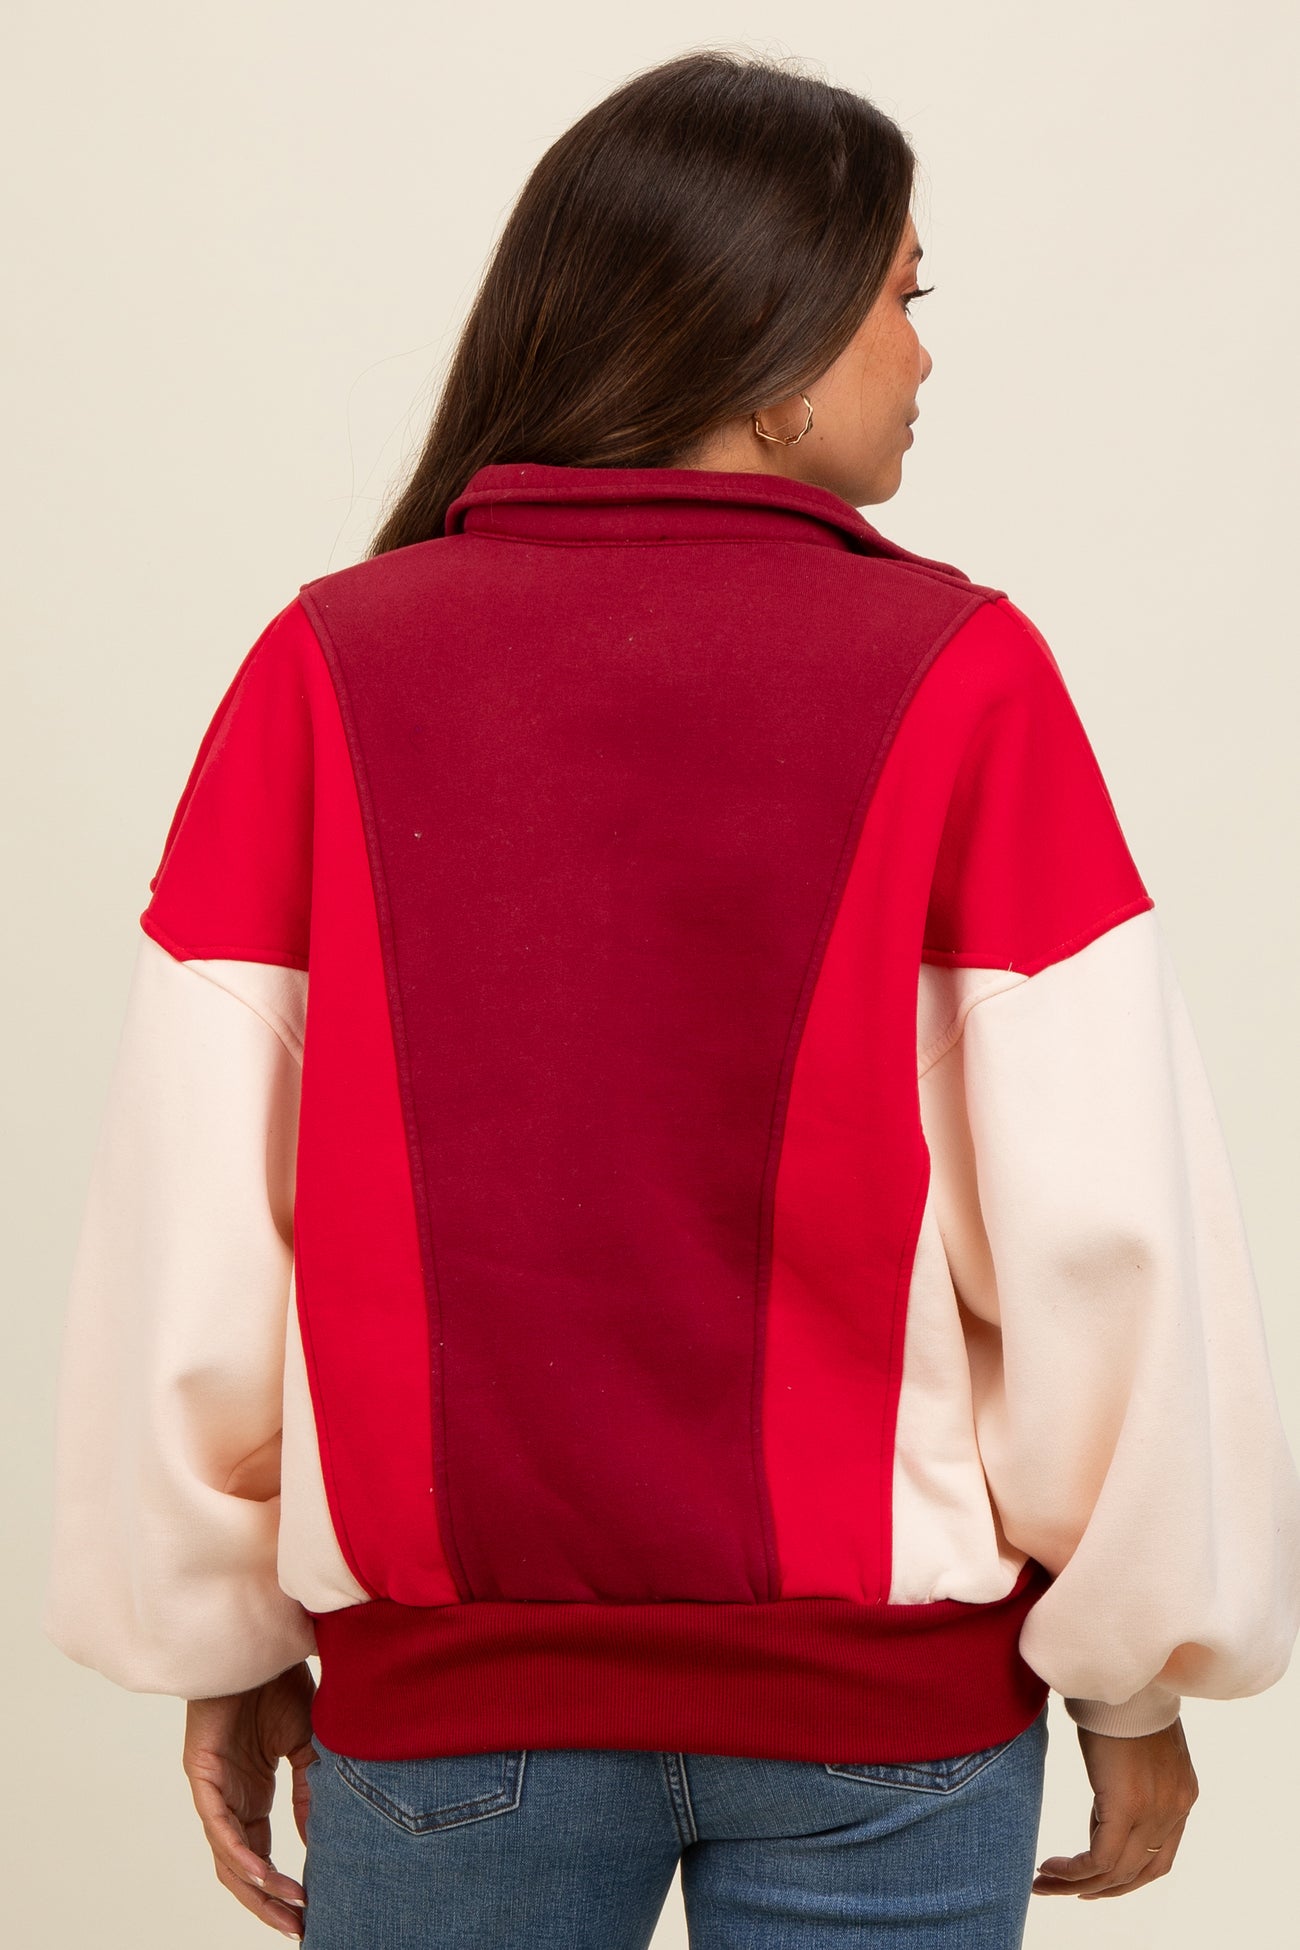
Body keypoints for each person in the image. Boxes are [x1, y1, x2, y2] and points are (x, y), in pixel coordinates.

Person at [41, 44, 1300, 1950]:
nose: (925, 356)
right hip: (886, 1723)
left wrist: (222, 1628)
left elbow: (198, 1210)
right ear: (770, 346)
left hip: (452, 1709)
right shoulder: (964, 675)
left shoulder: (327, 667)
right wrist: (1134, 1676)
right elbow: (1103, 1231)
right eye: (903, 297)